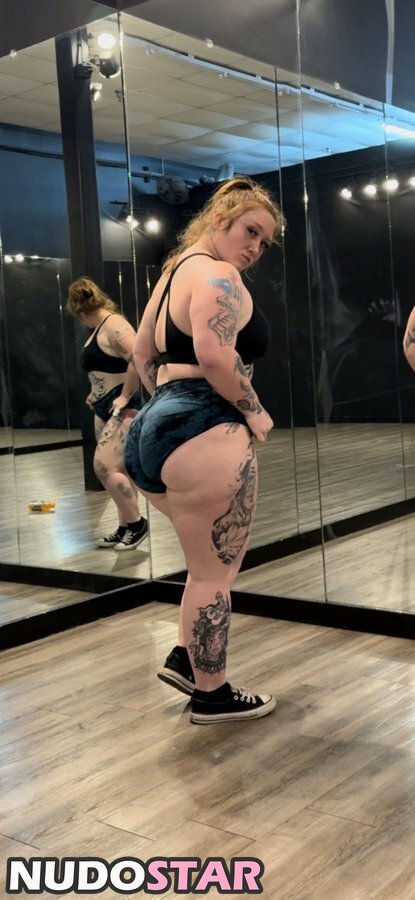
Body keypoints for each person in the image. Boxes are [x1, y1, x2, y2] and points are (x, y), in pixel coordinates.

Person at [124, 176, 284, 723]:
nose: (255, 247)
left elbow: (142, 353)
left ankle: (186, 658)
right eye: (250, 231)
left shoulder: (174, 273)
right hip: (207, 425)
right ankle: (212, 695)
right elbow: (215, 356)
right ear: (219, 220)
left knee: (203, 563)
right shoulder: (219, 275)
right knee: (216, 572)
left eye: (264, 241)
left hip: (153, 429)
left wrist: (166, 407)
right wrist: (254, 410)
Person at [67, 277, 147, 550]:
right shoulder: (99, 329)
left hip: (122, 408)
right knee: (118, 468)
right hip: (105, 408)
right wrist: (95, 394)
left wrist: (124, 396)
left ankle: (136, 524)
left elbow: (138, 359)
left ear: (80, 312)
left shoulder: (114, 325)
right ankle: (125, 525)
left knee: (103, 467)